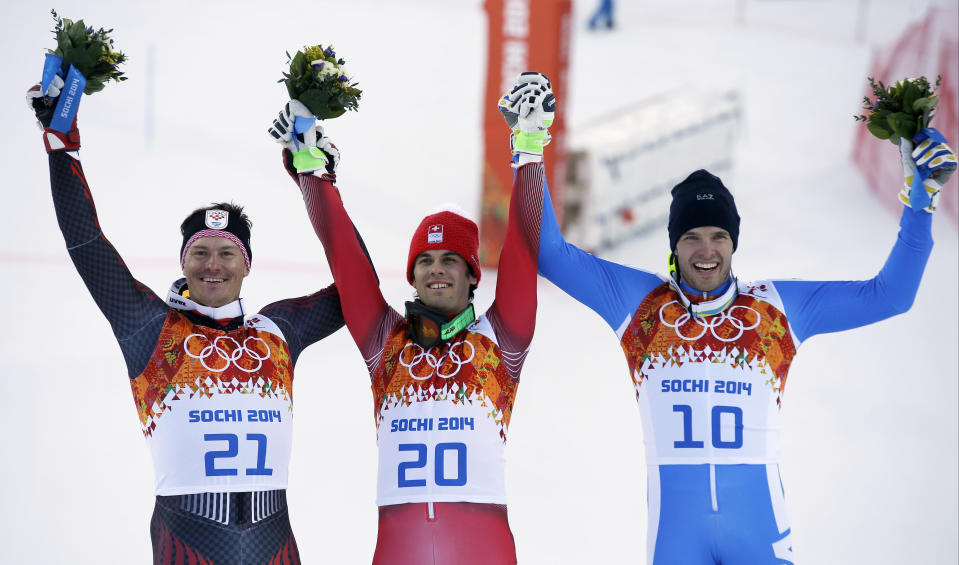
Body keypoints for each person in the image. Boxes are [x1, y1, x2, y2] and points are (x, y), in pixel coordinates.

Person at [536, 124, 956, 563]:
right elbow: (550, 255)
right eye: (691, 237)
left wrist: (921, 202)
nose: (706, 250)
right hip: (677, 539)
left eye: (719, 236)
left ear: (733, 243)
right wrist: (529, 149)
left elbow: (890, 295)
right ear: (673, 246)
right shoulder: (641, 305)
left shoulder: (775, 310)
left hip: (758, 534)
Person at [26, 75, 367, 564]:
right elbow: (87, 245)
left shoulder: (278, 333)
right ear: (183, 263)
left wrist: (316, 181)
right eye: (200, 252)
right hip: (187, 545)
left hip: (276, 546)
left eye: (227, 253)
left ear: (247, 264)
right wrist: (62, 145)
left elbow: (359, 289)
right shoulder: (151, 328)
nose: (213, 265)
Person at [266, 71, 554, 564]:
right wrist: (311, 169)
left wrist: (529, 150)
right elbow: (343, 255)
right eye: (425, 261)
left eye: (450, 261)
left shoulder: (500, 341)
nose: (436, 271)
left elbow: (524, 247)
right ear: (413, 276)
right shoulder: (386, 343)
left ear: (472, 277)